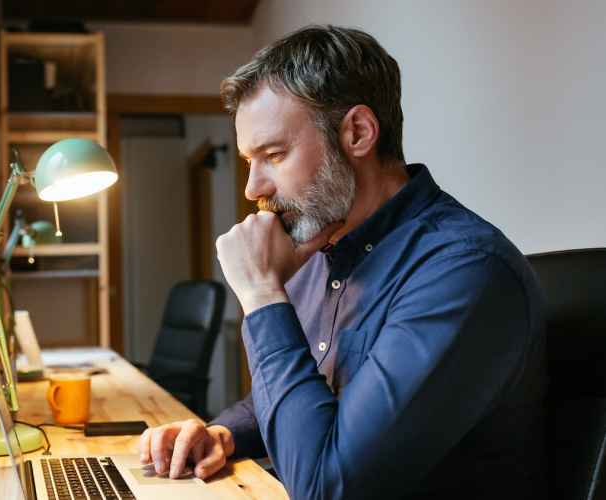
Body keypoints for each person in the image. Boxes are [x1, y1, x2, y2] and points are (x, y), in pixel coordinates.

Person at [137, 25, 547, 499]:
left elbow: (326, 487)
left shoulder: (463, 273)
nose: (253, 190)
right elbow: (306, 390)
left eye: (273, 154)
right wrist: (224, 434)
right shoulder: (322, 244)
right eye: (252, 160)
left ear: (357, 132)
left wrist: (261, 296)